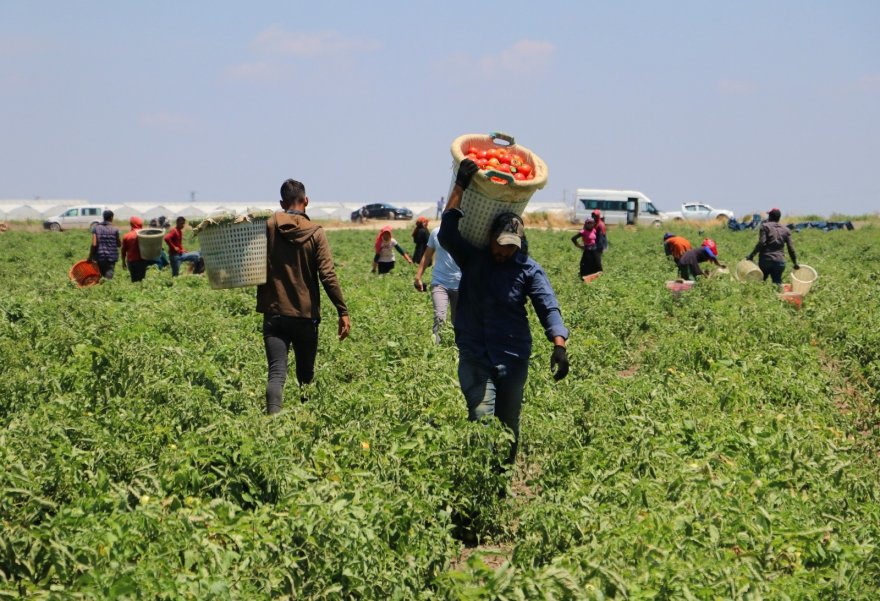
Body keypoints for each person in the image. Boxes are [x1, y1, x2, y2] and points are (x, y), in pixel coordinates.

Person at [438, 159, 569, 466]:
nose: (503, 252)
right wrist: (460, 184)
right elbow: (447, 233)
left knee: (508, 427)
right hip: (475, 354)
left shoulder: (528, 270)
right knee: (482, 418)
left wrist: (559, 345)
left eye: (510, 247)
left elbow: (547, 306)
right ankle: (478, 481)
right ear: (489, 238)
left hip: (512, 357)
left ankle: (500, 483)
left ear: (518, 244)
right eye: (499, 245)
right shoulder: (474, 259)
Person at [257, 179, 351, 415]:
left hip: (275, 312)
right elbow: (327, 275)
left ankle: (270, 425)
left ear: (281, 203)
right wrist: (343, 310)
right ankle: (305, 423)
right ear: (306, 201)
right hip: (305, 316)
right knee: (305, 376)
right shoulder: (315, 233)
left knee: (277, 373)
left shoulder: (268, 227)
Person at [413, 226, 461, 344]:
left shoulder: (466, 232)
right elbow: (427, 255)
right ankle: (436, 350)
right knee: (439, 317)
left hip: (461, 284)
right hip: (439, 282)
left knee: (458, 321)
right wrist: (418, 276)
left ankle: (458, 348)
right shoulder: (436, 232)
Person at [747, 208, 799, 289]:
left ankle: (760, 299)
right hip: (779, 261)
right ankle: (780, 298)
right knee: (778, 282)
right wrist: (795, 262)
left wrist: (751, 255)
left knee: (760, 282)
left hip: (766, 260)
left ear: (770, 217)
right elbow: (791, 248)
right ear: (779, 218)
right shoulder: (786, 230)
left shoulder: (765, 227)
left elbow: (761, 242)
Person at [90, 210, 121, 280]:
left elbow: (94, 244)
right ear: (111, 217)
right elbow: (119, 244)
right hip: (111, 257)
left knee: (99, 277)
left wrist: (90, 256)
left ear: (103, 217)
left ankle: (100, 289)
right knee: (108, 278)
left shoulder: (96, 228)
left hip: (100, 257)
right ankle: (107, 289)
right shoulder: (115, 229)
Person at [121, 216, 149, 282]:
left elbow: (123, 251)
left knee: (134, 280)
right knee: (142, 279)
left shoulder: (127, 236)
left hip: (131, 261)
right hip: (142, 261)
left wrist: (123, 262)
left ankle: (135, 291)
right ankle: (140, 291)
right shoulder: (144, 234)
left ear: (131, 224)